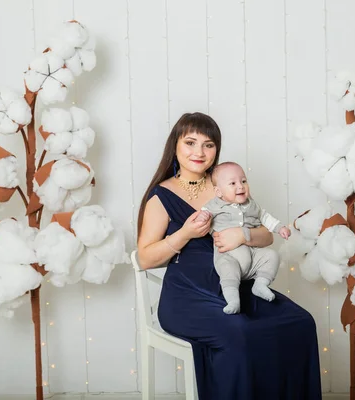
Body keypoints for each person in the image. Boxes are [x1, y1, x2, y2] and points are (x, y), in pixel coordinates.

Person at [137, 112, 322, 400]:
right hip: (187, 297)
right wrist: (185, 234)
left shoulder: (228, 184)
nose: (199, 152)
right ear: (175, 145)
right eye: (190, 142)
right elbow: (146, 258)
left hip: (239, 285)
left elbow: (267, 234)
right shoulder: (161, 196)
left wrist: (243, 235)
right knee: (239, 332)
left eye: (208, 145)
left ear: (216, 150)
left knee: (300, 322)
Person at [198, 161, 291, 314]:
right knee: (227, 270)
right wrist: (202, 217)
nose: (240, 186)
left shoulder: (252, 205)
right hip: (229, 256)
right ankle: (233, 300)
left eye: (243, 181)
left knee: (272, 256)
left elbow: (264, 217)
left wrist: (280, 227)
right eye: (232, 183)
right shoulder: (214, 206)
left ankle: (260, 284)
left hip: (253, 255)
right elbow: (204, 214)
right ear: (219, 192)